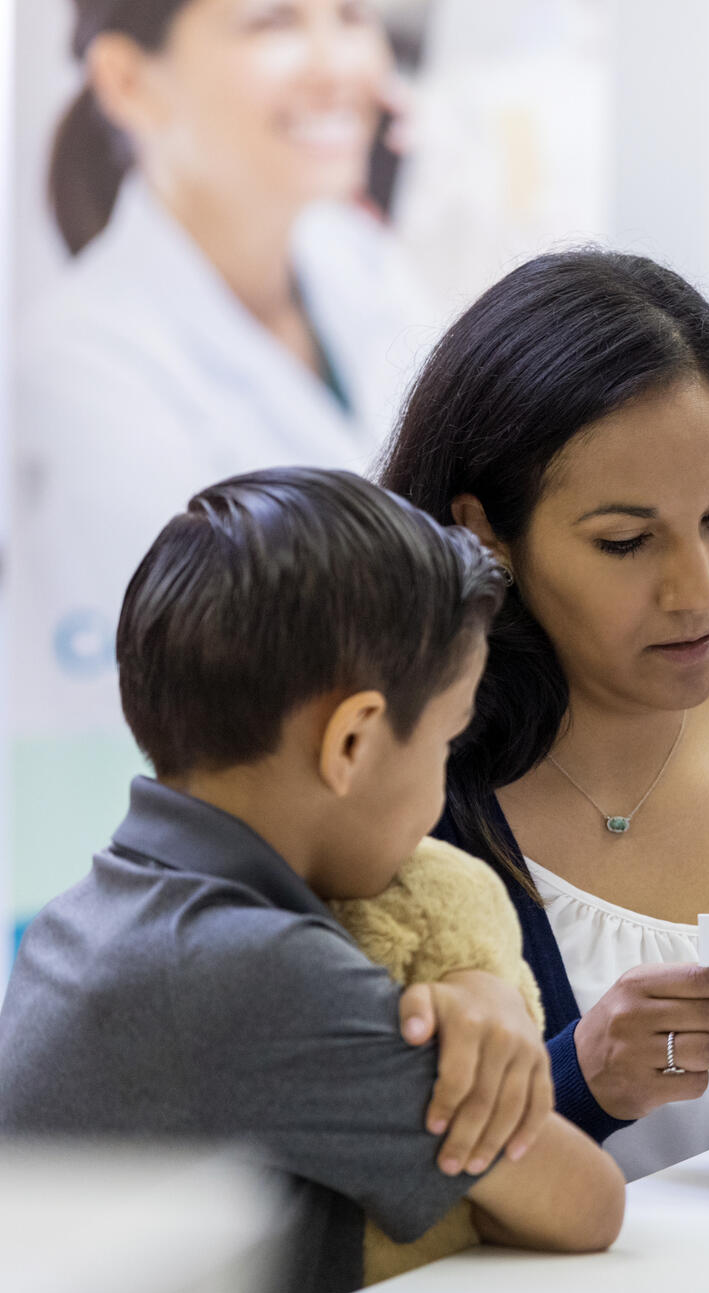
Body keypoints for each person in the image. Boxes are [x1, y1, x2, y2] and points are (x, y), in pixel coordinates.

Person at [0, 467, 625, 1293]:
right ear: (351, 744)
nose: (437, 799)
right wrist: (489, 978)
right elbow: (585, 1205)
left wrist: (481, 986)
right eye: (446, 745)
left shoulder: (94, 916)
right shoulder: (244, 970)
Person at [381, 250, 709, 1179]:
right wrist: (582, 1080)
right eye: (626, 542)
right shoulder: (395, 793)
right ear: (484, 533)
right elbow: (357, 1178)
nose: (700, 589)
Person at [12, 0, 432, 927]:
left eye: (352, 15)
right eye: (273, 22)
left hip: (364, 861)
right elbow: (215, 715)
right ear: (128, 80)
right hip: (192, 916)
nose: (338, 62)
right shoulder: (81, 368)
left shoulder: (362, 267)